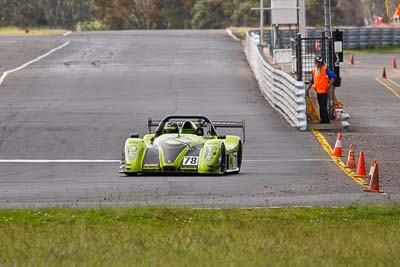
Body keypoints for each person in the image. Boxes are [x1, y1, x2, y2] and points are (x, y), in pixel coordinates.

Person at [306, 56, 336, 124]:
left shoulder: (325, 69)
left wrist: (329, 85)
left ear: (321, 63)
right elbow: (312, 80)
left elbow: (333, 76)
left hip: (324, 90)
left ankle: (325, 120)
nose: (317, 63)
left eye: (318, 62)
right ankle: (323, 120)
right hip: (318, 91)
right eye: (316, 62)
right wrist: (307, 90)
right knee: (321, 106)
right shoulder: (314, 70)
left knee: (323, 106)